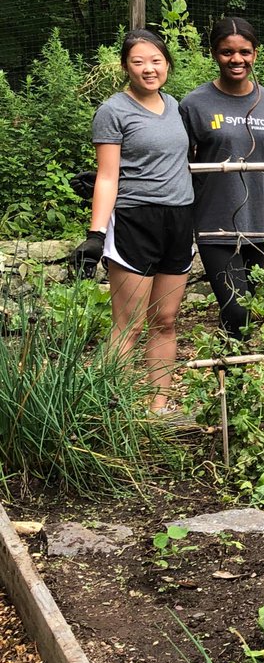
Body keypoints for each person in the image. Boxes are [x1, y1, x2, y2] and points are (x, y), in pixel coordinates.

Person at [71, 29, 193, 412]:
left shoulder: (174, 106)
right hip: (134, 221)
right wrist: (96, 232)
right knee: (129, 325)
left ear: (168, 64)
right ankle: (103, 409)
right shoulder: (113, 111)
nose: (148, 69)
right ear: (125, 66)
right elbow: (107, 175)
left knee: (167, 321)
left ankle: (160, 406)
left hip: (178, 219)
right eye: (138, 62)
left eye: (156, 61)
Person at [180, 17, 264, 340]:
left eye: (244, 52)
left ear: (255, 53)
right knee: (235, 308)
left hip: (259, 225)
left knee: (248, 313)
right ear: (214, 53)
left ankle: (233, 382)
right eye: (227, 52)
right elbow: (183, 163)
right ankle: (232, 381)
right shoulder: (195, 104)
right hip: (214, 225)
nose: (236, 59)